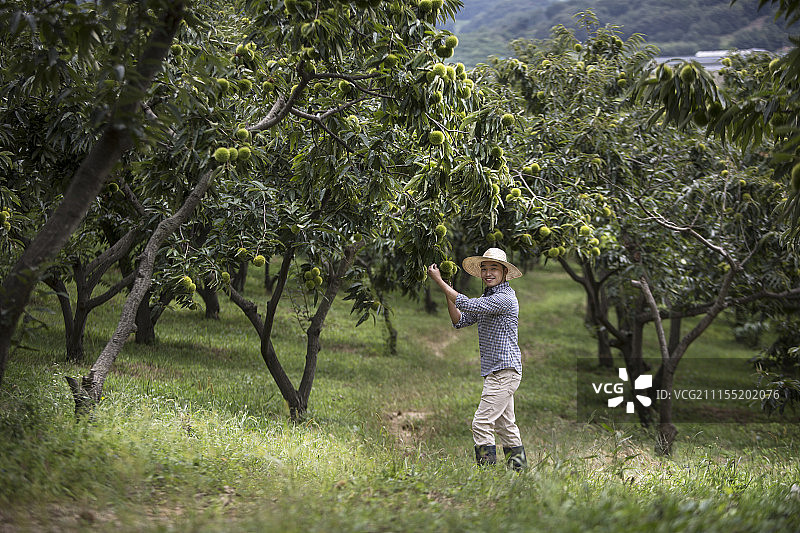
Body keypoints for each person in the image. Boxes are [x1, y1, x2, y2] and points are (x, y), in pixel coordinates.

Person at [427, 247, 527, 470]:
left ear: (504, 272)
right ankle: (520, 474)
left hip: (504, 372)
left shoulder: (504, 299)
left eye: (494, 269)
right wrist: (448, 290)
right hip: (497, 371)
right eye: (484, 269)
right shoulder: (488, 297)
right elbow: (460, 320)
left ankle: (487, 477)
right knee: (506, 427)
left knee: (481, 423)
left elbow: (467, 304)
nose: (488, 273)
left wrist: (439, 282)